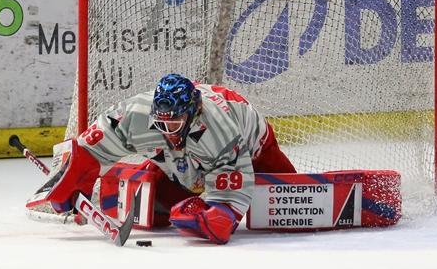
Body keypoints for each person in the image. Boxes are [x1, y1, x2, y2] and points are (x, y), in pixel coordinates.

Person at [26, 74, 296, 245]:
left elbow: (224, 217)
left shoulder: (220, 130)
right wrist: (72, 173)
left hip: (253, 146)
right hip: (184, 160)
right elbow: (88, 147)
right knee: (155, 209)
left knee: (291, 204)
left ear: (193, 113)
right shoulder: (134, 114)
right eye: (160, 123)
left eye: (173, 124)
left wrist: (212, 216)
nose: (167, 132)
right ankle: (143, 181)